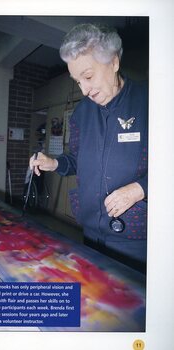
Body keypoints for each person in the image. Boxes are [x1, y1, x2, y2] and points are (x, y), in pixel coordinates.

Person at [30, 23, 148, 271]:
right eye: (77, 81)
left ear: (114, 63)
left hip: (137, 237)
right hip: (91, 230)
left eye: (88, 76)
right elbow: (75, 158)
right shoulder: (81, 113)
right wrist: (54, 163)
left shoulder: (151, 101)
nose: (85, 90)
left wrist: (140, 189)